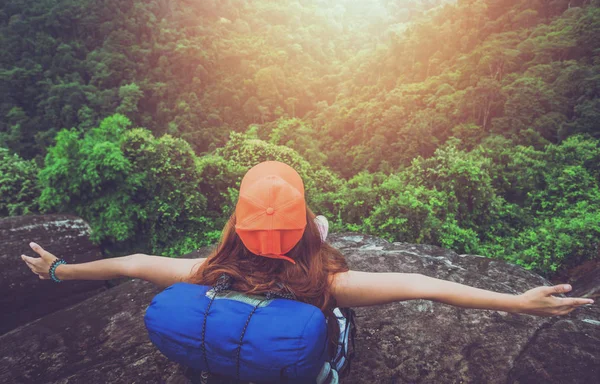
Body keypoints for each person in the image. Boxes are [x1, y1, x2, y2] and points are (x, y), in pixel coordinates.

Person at [21, 161, 594, 327]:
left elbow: (135, 262)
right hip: (305, 303)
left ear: (235, 229)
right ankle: (311, 231)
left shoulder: (207, 269)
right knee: (320, 231)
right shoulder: (330, 285)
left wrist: (58, 271)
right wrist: (519, 302)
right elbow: (425, 285)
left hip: (235, 297)